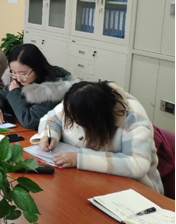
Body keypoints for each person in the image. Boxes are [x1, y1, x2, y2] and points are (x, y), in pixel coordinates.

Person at [36, 81, 164, 194]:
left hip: (136, 191)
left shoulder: (133, 120)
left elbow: (137, 164)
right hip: (88, 180)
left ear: (95, 119)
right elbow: (51, 119)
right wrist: (49, 135)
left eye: (77, 120)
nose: (72, 121)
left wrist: (80, 158)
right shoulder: (75, 101)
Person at [0, 43, 74, 130]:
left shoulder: (53, 90)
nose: (18, 78)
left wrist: (14, 93)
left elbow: (29, 120)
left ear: (37, 68)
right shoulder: (20, 79)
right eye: (13, 72)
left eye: (23, 74)